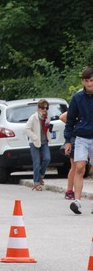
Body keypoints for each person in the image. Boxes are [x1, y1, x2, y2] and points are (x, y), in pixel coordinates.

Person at [64, 67, 93, 215]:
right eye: (87, 81)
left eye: (92, 81)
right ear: (82, 81)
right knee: (80, 167)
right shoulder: (77, 98)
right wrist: (68, 141)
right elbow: (69, 120)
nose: (89, 84)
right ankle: (77, 201)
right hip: (81, 137)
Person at [24, 99, 52, 191]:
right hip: (34, 142)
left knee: (47, 158)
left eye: (46, 108)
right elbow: (26, 130)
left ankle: (40, 175)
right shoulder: (33, 117)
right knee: (36, 163)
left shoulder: (47, 117)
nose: (44, 110)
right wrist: (34, 137)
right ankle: (36, 183)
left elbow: (47, 129)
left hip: (44, 142)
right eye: (42, 108)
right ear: (38, 108)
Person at [59, 111, 76, 200]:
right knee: (75, 166)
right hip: (76, 138)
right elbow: (62, 117)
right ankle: (69, 191)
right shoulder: (79, 104)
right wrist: (75, 125)